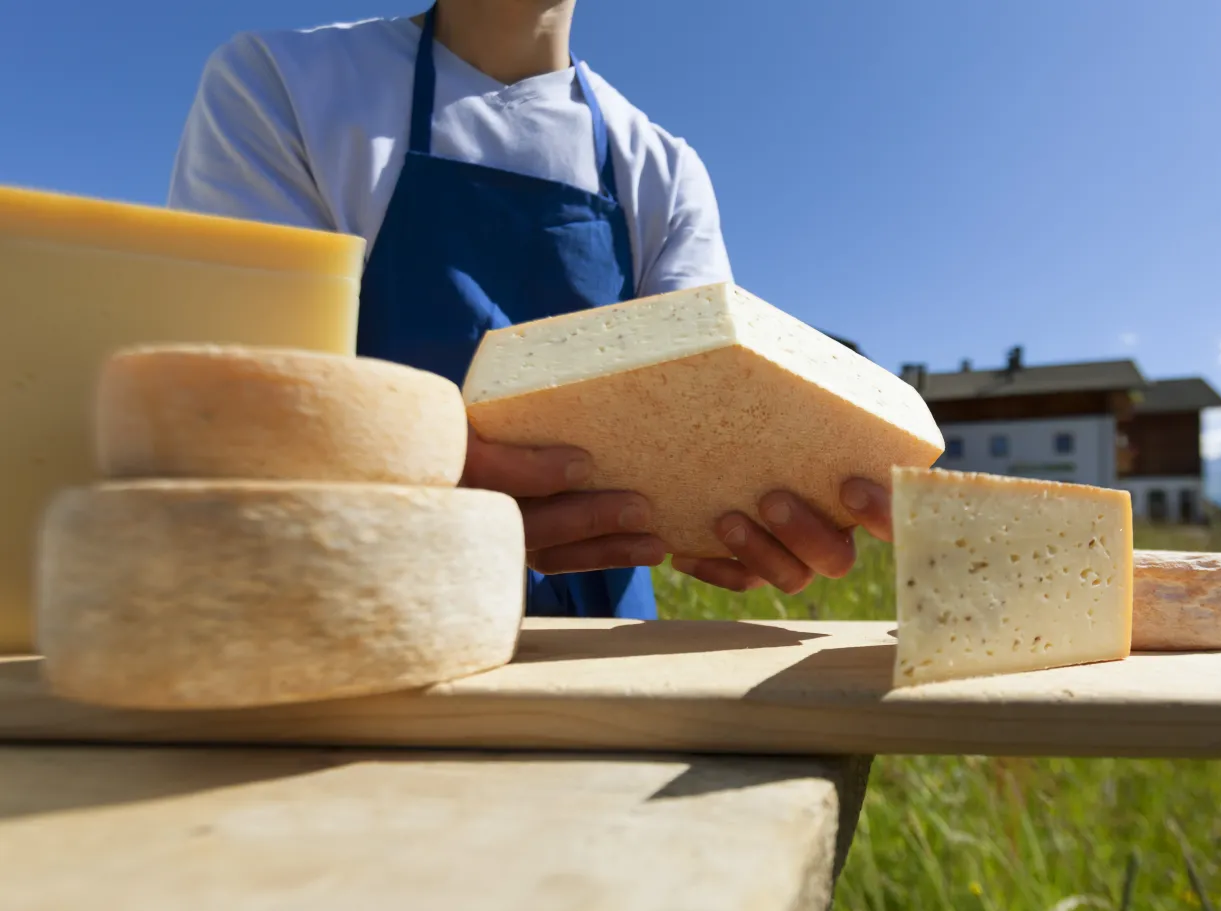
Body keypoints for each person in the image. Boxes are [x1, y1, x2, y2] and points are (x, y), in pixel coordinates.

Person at [167, 0, 894, 620]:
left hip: (604, 656)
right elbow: (242, 419)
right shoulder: (282, 87)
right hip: (351, 621)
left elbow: (700, 413)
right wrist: (422, 483)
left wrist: (761, 505)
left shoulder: (664, 172)